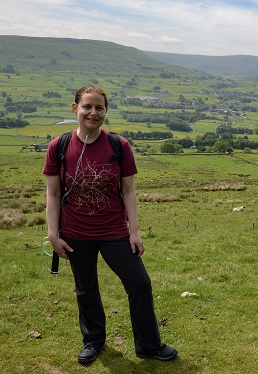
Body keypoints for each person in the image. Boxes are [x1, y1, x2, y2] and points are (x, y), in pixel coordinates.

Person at [42, 85, 178, 364]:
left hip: (114, 231)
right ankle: (93, 342)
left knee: (140, 284)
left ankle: (149, 346)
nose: (93, 113)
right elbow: (53, 193)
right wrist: (52, 235)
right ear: (75, 108)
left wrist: (135, 232)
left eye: (99, 108)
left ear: (106, 111)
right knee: (86, 288)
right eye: (87, 107)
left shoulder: (119, 145)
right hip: (76, 232)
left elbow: (128, 190)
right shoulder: (59, 146)